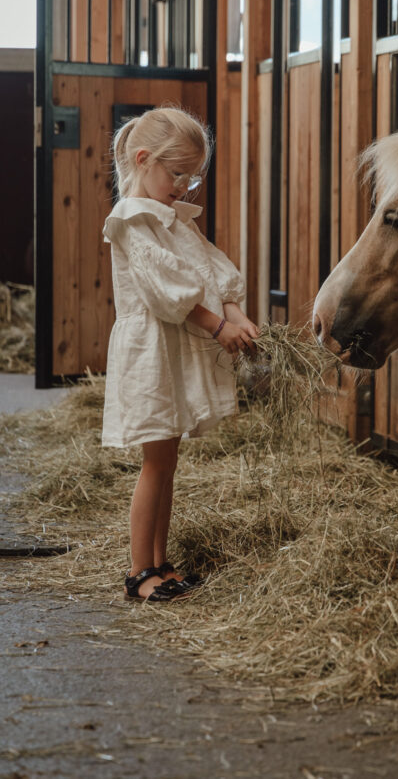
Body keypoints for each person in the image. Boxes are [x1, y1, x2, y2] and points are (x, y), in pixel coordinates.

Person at [102, 107, 258, 602]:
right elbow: (164, 290)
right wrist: (218, 327)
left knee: (167, 461)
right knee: (155, 462)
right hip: (151, 351)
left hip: (172, 348)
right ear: (143, 159)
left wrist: (236, 314)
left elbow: (213, 268)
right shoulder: (132, 219)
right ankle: (139, 573)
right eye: (177, 174)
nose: (185, 186)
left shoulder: (175, 220)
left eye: (193, 177)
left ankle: (160, 562)